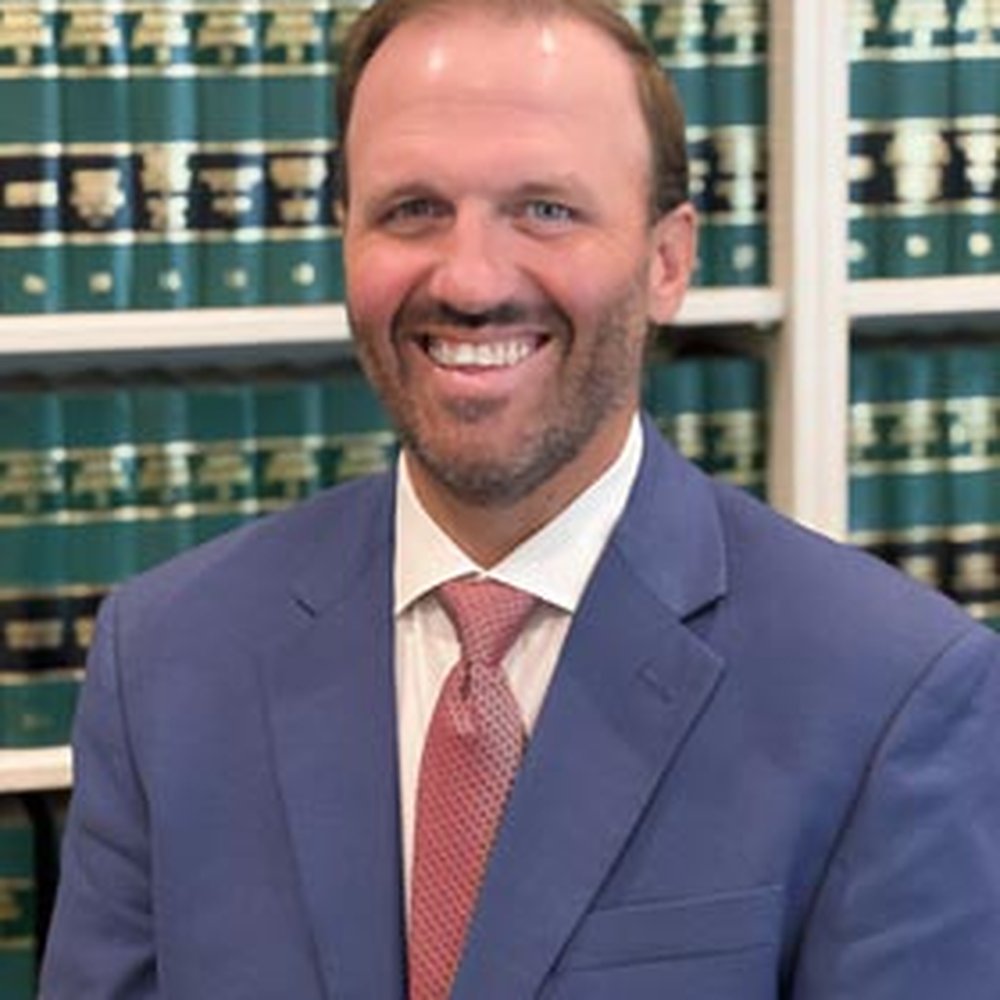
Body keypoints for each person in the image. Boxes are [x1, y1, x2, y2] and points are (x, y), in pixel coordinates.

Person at [40, 1, 1000, 997]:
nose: (470, 280)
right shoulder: (166, 660)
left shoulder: (891, 695)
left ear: (667, 261)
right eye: (412, 209)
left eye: (546, 209)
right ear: (345, 239)